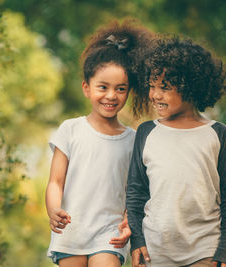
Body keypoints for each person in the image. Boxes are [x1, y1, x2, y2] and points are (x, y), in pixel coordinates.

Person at [126, 35, 226, 267]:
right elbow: (136, 193)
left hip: (204, 251)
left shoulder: (218, 134)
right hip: (154, 253)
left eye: (165, 88)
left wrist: (225, 253)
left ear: (190, 87)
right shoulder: (146, 132)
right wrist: (136, 239)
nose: (155, 95)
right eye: (152, 86)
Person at [46, 20, 153, 267]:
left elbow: (135, 191)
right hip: (71, 229)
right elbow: (55, 182)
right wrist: (53, 211)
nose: (111, 96)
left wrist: (129, 221)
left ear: (129, 92)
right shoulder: (70, 129)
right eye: (102, 87)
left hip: (110, 234)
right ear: (87, 87)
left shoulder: (134, 139)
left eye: (121, 89)